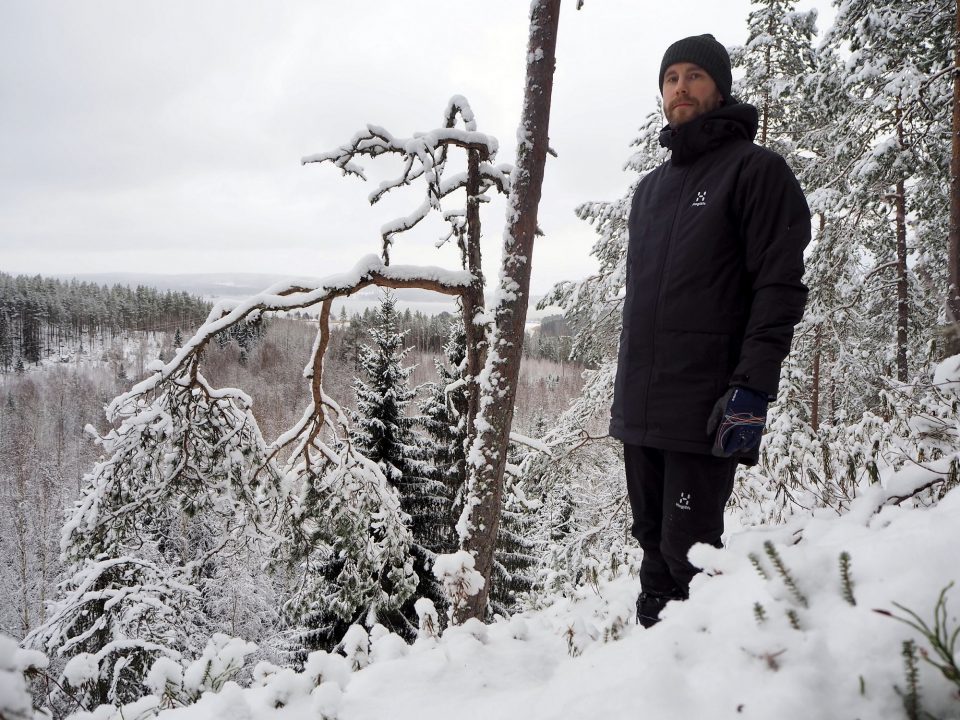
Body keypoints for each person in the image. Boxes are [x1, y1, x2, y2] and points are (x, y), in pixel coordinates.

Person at [610, 34, 810, 627]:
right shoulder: (650, 191)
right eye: (671, 78)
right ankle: (656, 658)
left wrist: (752, 386)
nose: (680, 87)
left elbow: (778, 287)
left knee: (689, 553)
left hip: (707, 404)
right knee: (651, 545)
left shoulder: (756, 171)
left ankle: (714, 663)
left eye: (694, 75)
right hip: (642, 405)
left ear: (719, 88)